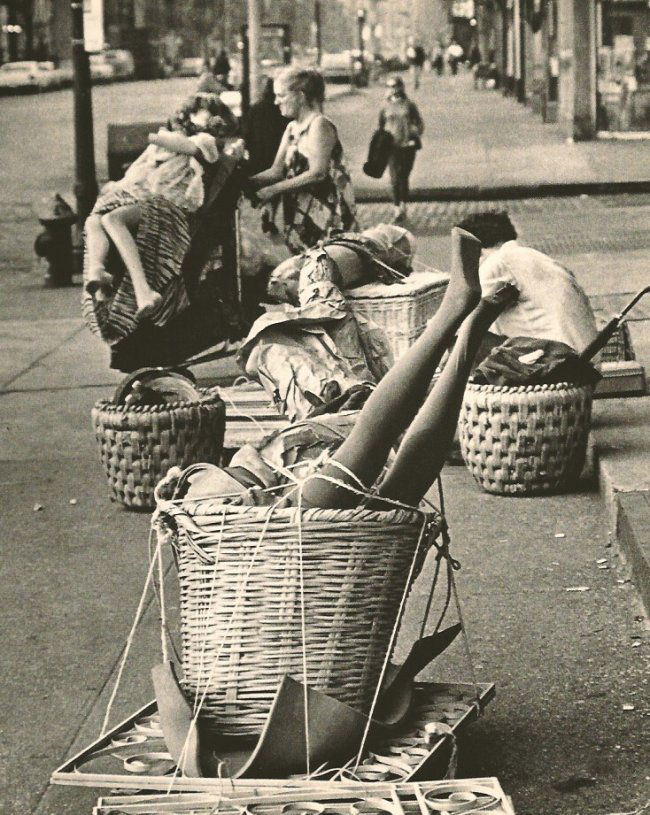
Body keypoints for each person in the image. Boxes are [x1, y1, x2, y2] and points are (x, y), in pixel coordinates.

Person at [162, 227, 519, 511]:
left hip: (274, 484)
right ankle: (464, 327)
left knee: (371, 456)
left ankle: (458, 321)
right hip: (290, 515)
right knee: (389, 498)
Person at [82, 76, 240, 343]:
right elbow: (136, 171)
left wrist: (158, 135)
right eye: (188, 112)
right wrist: (117, 187)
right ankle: (97, 272)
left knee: (113, 220)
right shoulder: (166, 144)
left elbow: (185, 145)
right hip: (148, 198)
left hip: (173, 209)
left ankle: (144, 291)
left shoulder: (206, 142)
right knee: (94, 220)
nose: (187, 117)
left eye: (196, 113)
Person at [249, 67, 357, 255]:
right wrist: (244, 181)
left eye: (281, 96)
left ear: (300, 96)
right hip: (300, 214)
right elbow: (276, 171)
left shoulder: (319, 125)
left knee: (323, 268)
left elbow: (318, 173)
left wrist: (272, 190)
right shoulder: (292, 128)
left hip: (326, 215)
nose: (276, 102)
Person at [456, 212, 598, 354]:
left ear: (476, 250)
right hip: (585, 358)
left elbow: (466, 316)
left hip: (553, 361)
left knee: (462, 338)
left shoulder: (497, 262)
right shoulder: (538, 258)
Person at [242, 77, 291, 236]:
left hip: (258, 154)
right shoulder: (282, 111)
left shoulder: (255, 108)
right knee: (274, 187)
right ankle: (270, 213)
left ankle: (263, 208)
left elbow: (247, 133)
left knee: (262, 184)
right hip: (276, 152)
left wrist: (248, 149)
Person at [379, 75, 424, 223]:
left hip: (407, 145)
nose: (393, 90)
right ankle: (396, 207)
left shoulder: (409, 105)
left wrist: (415, 131)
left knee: (404, 176)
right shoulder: (384, 106)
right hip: (392, 147)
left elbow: (419, 123)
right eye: (390, 86)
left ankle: (404, 205)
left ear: (401, 87)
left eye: (396, 86)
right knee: (394, 177)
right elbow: (380, 127)